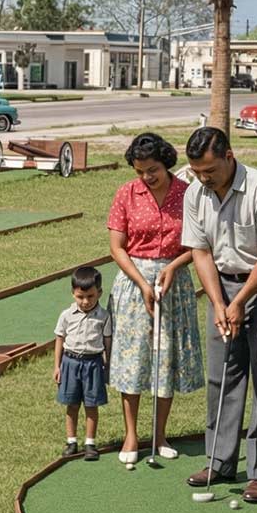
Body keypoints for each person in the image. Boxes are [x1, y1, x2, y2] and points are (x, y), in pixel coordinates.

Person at [180, 126, 257, 503]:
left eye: (209, 170)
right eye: (196, 171)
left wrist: (240, 300)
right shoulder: (195, 192)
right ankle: (219, 460)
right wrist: (218, 303)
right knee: (222, 374)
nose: (202, 178)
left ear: (229, 156)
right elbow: (200, 251)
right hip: (222, 285)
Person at [107, 133, 204, 464]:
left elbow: (198, 244)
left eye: (152, 170)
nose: (146, 177)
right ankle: (132, 436)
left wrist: (175, 266)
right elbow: (117, 248)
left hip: (173, 282)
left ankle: (160, 435)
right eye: (139, 171)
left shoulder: (188, 194)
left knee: (166, 360)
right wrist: (142, 283)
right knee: (133, 360)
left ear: (166, 164)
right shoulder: (126, 194)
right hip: (135, 283)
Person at [53, 266, 114, 461]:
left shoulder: (104, 317)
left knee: (91, 405)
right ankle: (71, 441)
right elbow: (60, 339)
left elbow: (107, 342)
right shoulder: (66, 315)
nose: (85, 301)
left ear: (99, 293)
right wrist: (57, 366)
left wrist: (108, 364)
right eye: (80, 297)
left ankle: (90, 443)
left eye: (90, 296)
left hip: (93, 363)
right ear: (73, 293)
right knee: (71, 404)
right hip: (70, 362)